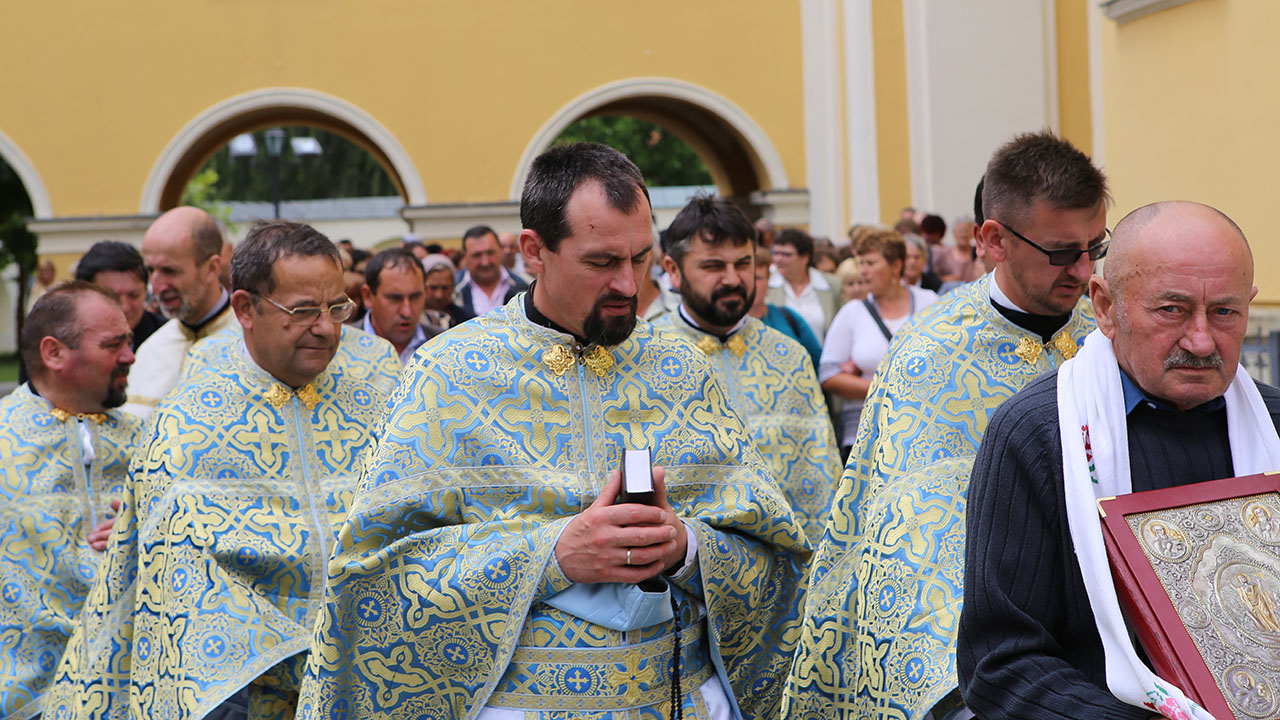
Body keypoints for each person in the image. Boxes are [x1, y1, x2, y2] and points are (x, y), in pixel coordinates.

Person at [297, 142, 809, 720]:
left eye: (640, 258)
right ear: (534, 251)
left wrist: (685, 547)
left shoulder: (682, 368)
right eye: (600, 262)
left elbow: (776, 556)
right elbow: (373, 580)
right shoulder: (447, 375)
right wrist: (552, 554)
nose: (628, 285)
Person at [786, 131, 1108, 720]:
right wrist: (964, 690)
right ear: (994, 241)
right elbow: (919, 537)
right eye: (1062, 251)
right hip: (998, 649)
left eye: (1097, 246)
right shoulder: (932, 355)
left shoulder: (1113, 330)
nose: (1085, 270)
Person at [46, 220, 393, 720]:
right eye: (302, 311)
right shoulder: (186, 422)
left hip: (374, 676)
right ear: (245, 309)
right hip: (246, 695)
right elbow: (178, 585)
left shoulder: (379, 383)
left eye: (336, 308)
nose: (326, 328)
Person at [958, 201, 1280, 720]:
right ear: (1106, 307)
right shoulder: (1039, 437)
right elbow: (1000, 664)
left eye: (1224, 311)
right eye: (1171, 309)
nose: (1201, 340)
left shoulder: (1275, 424)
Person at [653, 194, 841, 544]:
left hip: (787, 568)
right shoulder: (646, 356)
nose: (732, 279)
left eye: (743, 264)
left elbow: (823, 474)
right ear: (673, 270)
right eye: (712, 267)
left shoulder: (789, 356)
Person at [0, 283, 143, 718]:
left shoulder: (153, 441)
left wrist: (150, 527)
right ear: (53, 353)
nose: (130, 357)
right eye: (113, 344)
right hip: (23, 694)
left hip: (133, 689)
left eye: (130, 342)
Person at [820, 229, 938, 452]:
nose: (863, 270)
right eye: (861, 262)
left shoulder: (929, 301)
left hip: (923, 431)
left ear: (895, 265)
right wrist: (884, 389)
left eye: (870, 263)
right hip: (866, 438)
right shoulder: (852, 312)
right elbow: (828, 373)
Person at [122, 206, 235, 420]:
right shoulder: (149, 352)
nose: (156, 287)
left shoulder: (254, 344)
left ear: (212, 268)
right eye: (151, 271)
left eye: (170, 271)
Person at [75, 241, 167, 350]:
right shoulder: (66, 339)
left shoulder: (169, 337)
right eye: (112, 298)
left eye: (134, 295)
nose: (125, 307)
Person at [356, 247, 438, 364]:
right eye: (395, 298)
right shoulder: (340, 348)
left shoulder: (446, 347)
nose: (407, 312)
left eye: (415, 297)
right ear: (368, 296)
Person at [750, 246, 822, 370]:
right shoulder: (725, 326)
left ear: (768, 282)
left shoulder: (788, 317)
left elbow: (818, 362)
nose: (752, 285)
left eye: (758, 279)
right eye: (748, 278)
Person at [767, 228, 841, 340]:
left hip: (820, 355)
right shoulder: (766, 283)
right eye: (775, 253)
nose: (778, 259)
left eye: (786, 254)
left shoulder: (831, 285)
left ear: (805, 257)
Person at [455, 224, 529, 317]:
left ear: (500, 250)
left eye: (490, 253)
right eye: (477, 255)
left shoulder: (525, 286)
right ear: (464, 255)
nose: (485, 262)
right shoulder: (453, 291)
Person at [421, 253, 474, 329]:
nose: (439, 295)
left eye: (445, 288)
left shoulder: (467, 321)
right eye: (433, 288)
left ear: (453, 286)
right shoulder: (413, 321)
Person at [935, 216, 983, 285]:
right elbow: (935, 279)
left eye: (967, 231)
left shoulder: (979, 252)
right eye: (960, 231)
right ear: (954, 233)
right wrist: (946, 279)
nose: (963, 235)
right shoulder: (944, 254)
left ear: (973, 233)